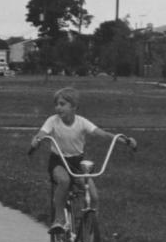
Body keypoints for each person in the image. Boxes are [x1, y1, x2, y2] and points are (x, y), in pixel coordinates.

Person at [29, 87, 136, 233]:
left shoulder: (82, 122)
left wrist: (124, 140)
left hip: (77, 163)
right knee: (64, 181)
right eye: (57, 104)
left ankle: (92, 225)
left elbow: (102, 134)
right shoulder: (52, 121)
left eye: (62, 104)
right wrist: (36, 140)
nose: (58, 108)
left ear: (74, 107)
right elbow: (41, 134)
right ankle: (59, 220)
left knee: (93, 196)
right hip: (58, 161)